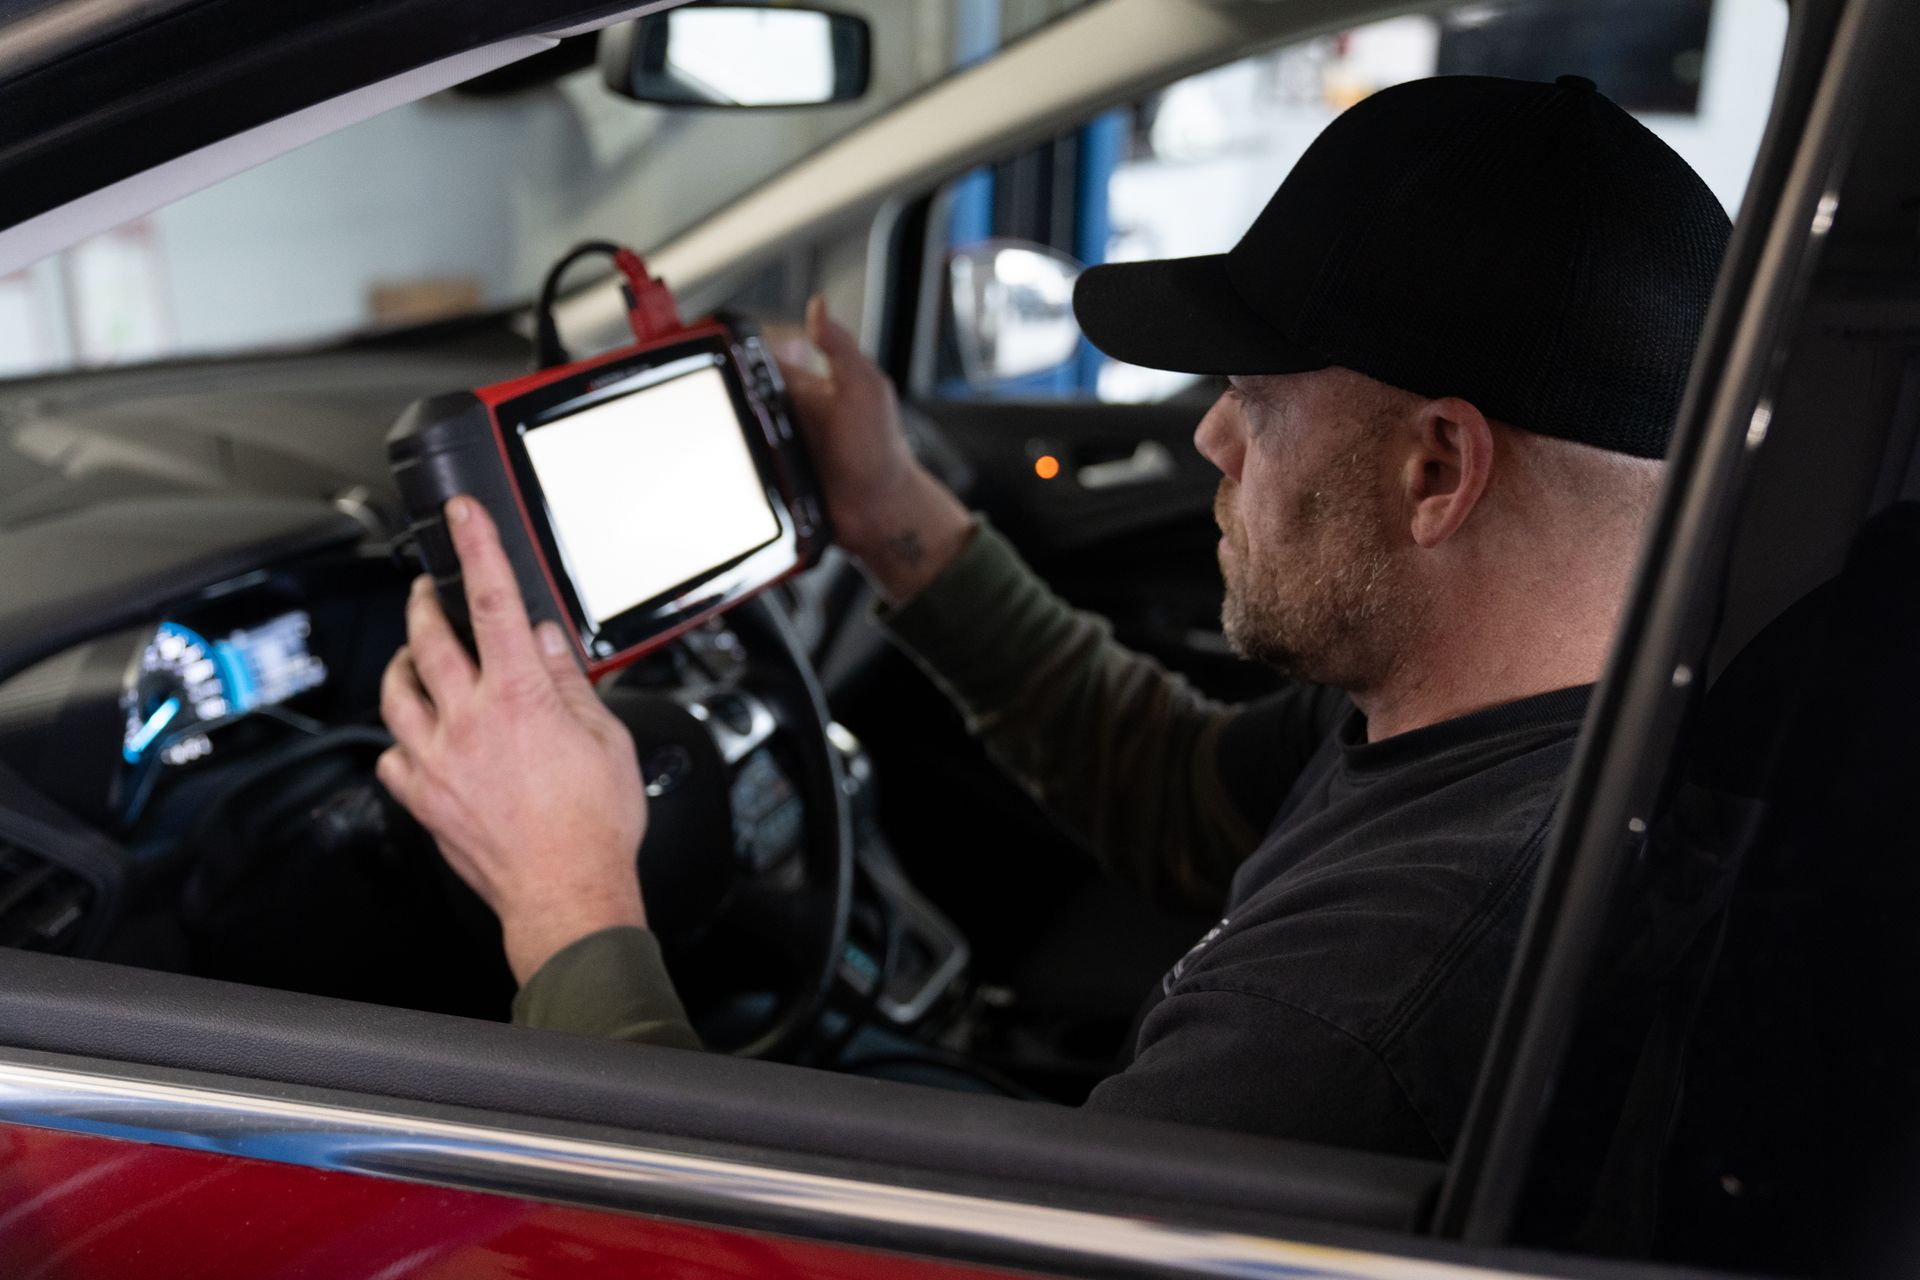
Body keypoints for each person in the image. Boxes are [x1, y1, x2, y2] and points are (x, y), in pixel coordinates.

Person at [376, 74, 1730, 1158]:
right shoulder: (1548, 719)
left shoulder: (1347, 1018)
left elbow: (719, 1262)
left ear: (1435, 471)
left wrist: (565, 900)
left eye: (1256, 401)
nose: (1210, 437)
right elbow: (1184, 791)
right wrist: (898, 516)